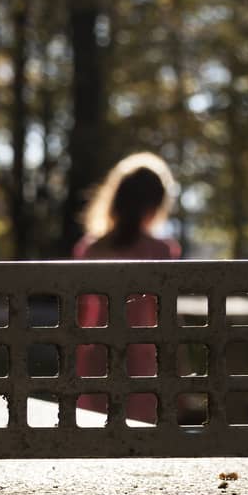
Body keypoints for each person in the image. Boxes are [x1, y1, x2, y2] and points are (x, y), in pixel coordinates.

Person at [72, 153, 180, 423]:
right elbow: (166, 320)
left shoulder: (91, 248)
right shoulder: (161, 250)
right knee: (141, 433)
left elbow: (80, 316)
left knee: (96, 432)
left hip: (97, 356)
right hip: (140, 359)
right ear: (155, 205)